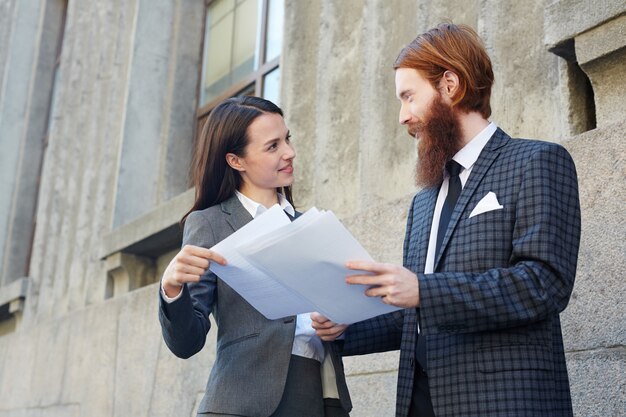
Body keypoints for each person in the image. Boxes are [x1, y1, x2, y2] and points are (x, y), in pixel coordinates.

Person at [312, 23, 581, 417]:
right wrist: (345, 327)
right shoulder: (424, 202)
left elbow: (543, 284)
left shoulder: (537, 161)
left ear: (450, 85)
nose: (403, 117)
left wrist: (421, 289)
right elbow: (415, 313)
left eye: (408, 97)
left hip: (505, 404)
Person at [158, 96, 352, 417]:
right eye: (272, 146)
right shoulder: (210, 223)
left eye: (287, 139)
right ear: (237, 161)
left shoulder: (311, 225)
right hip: (244, 401)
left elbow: (341, 311)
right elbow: (186, 343)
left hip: (322, 396)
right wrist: (172, 290)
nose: (289, 152)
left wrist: (341, 322)